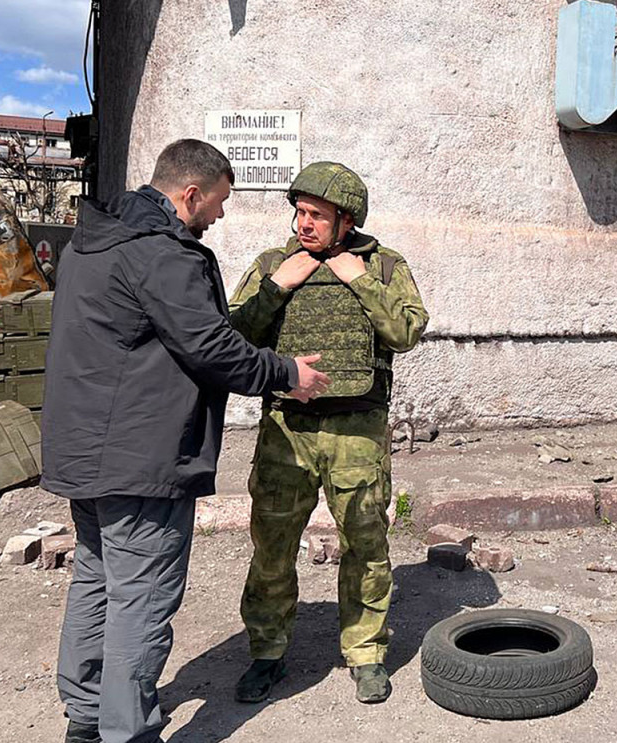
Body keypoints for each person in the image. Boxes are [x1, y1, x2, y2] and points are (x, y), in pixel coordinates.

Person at [40, 139, 330, 743]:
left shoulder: (93, 243)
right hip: (140, 458)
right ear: (190, 194)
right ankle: (128, 732)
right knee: (141, 600)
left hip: (86, 450)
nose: (221, 215)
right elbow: (210, 347)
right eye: (219, 202)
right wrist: (287, 374)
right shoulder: (161, 255)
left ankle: (87, 719)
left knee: (97, 582)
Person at [227, 161, 429, 704]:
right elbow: (233, 335)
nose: (303, 225)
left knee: (365, 541)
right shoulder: (275, 263)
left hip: (356, 430)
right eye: (298, 213)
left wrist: (358, 281)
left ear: (346, 220)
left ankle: (365, 653)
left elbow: (407, 331)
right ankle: (267, 653)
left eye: (316, 214)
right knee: (272, 544)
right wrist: (277, 286)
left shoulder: (383, 267)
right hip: (286, 428)